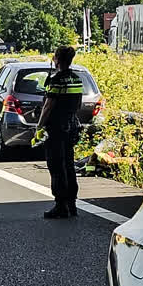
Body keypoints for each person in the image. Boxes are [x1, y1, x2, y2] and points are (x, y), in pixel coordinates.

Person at [37, 46, 85, 219]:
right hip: (71, 125)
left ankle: (60, 205)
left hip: (56, 127)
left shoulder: (55, 80)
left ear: (57, 59)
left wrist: (40, 125)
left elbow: (48, 105)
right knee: (69, 164)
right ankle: (72, 204)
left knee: (56, 166)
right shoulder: (77, 79)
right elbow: (78, 104)